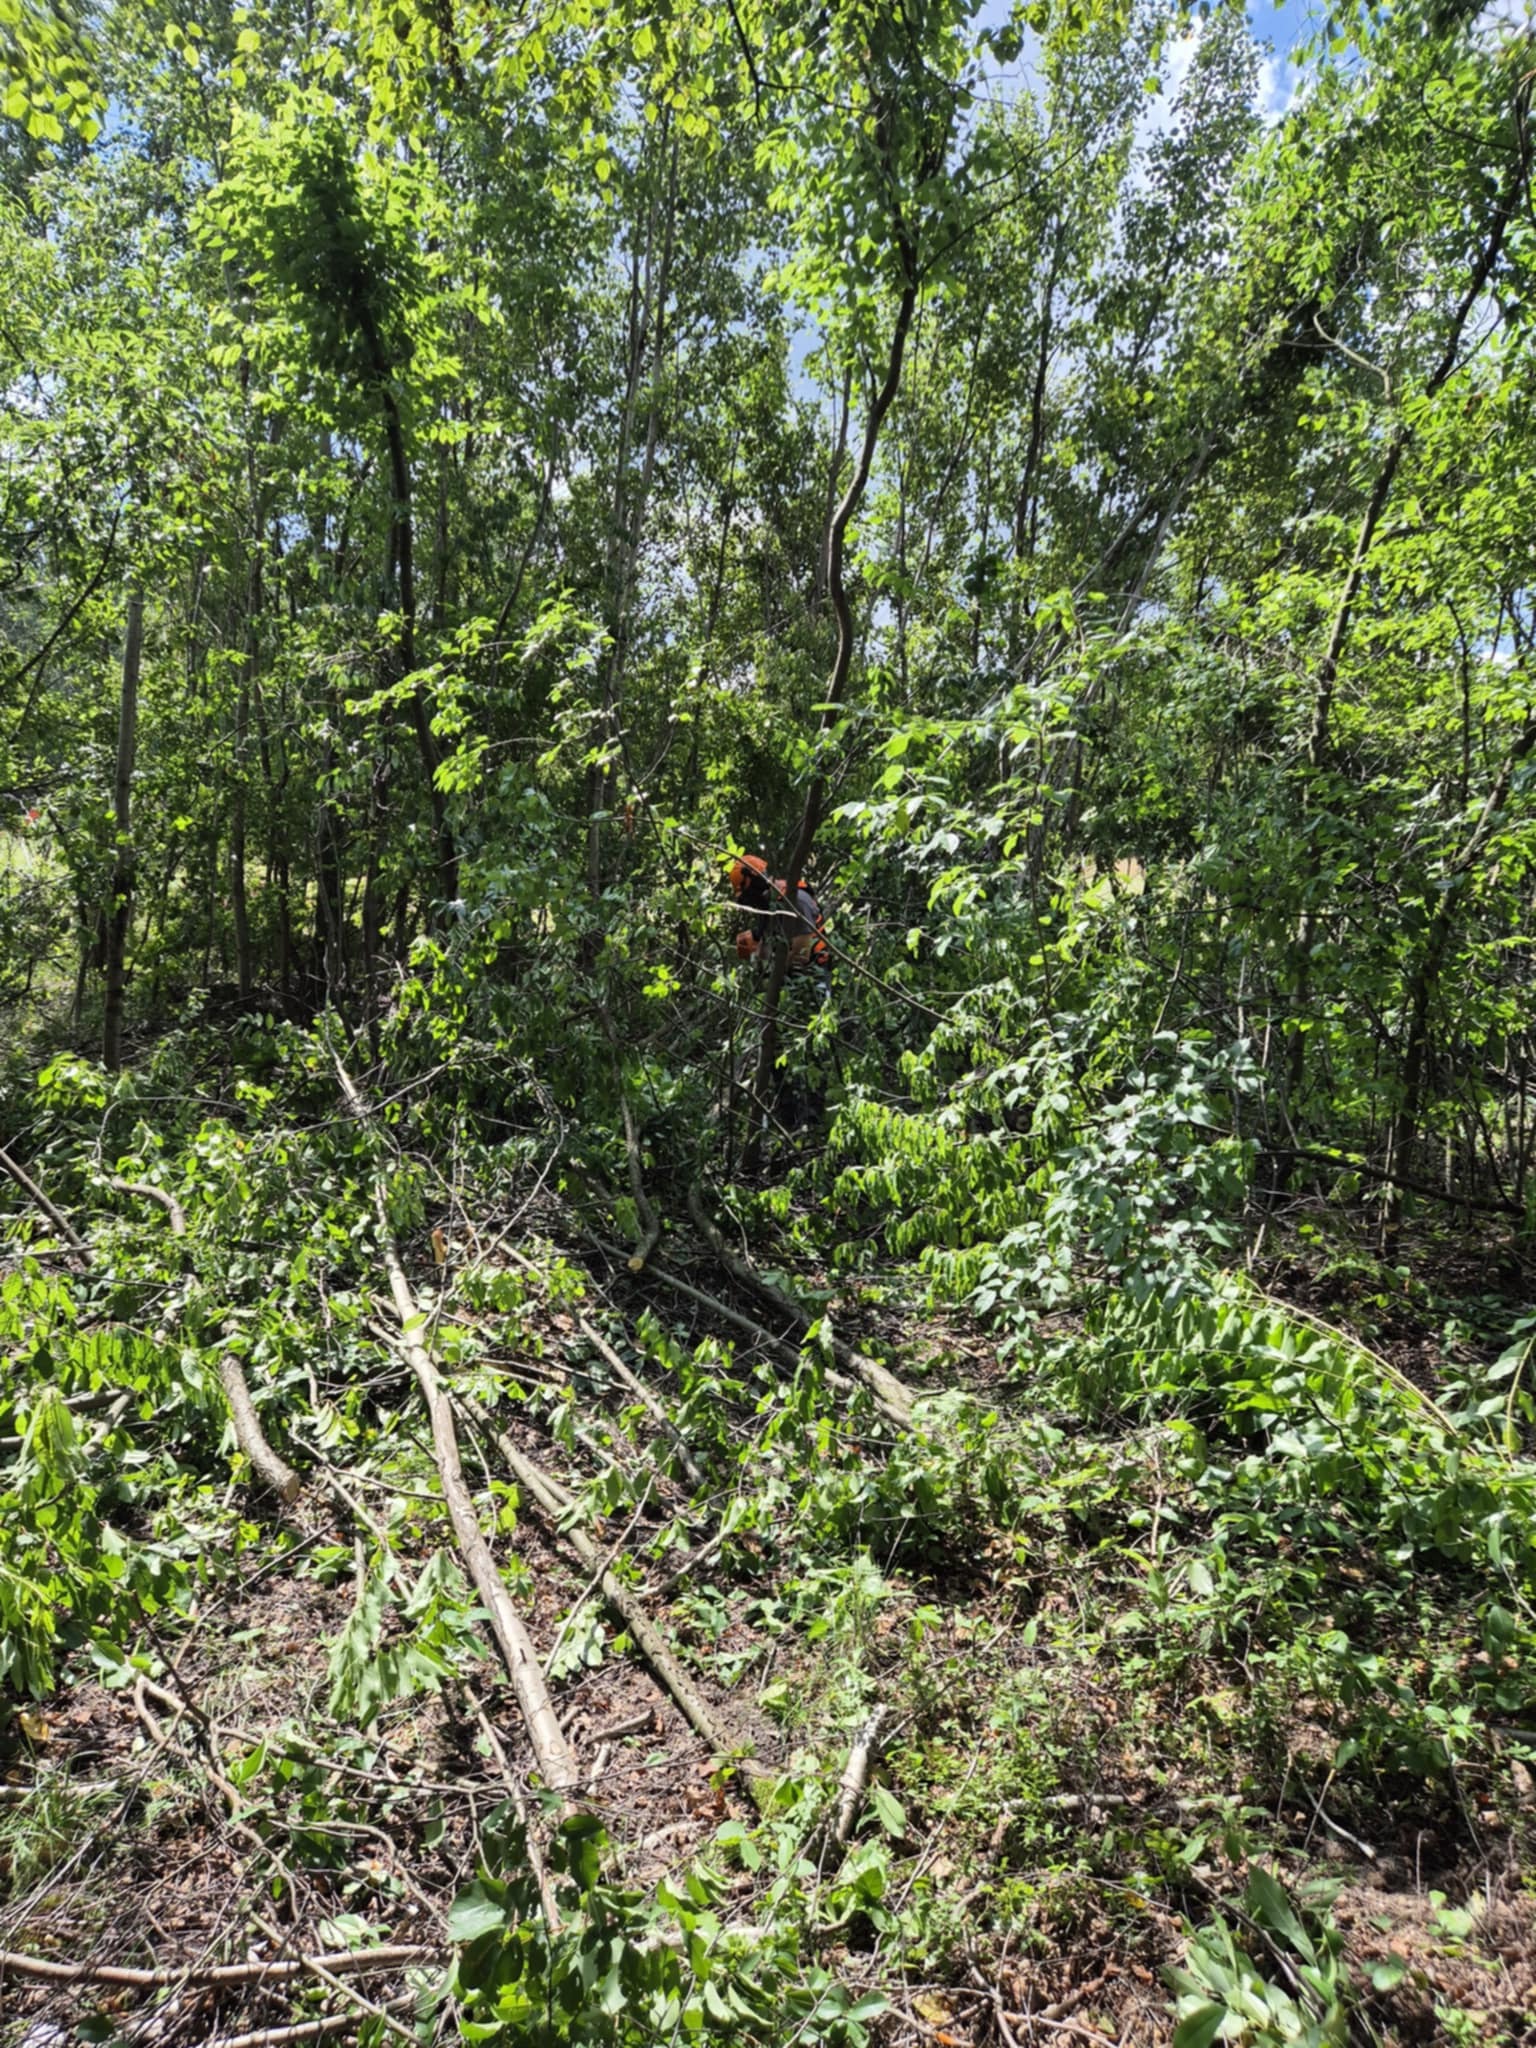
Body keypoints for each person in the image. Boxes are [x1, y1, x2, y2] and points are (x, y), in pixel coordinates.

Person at [729, 856, 829, 978]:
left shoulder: (796, 901)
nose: (749, 901)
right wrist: (756, 953)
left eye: (747, 894)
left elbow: (801, 955)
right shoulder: (768, 905)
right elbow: (766, 947)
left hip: (814, 972)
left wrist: (773, 972)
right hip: (788, 972)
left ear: (755, 880)